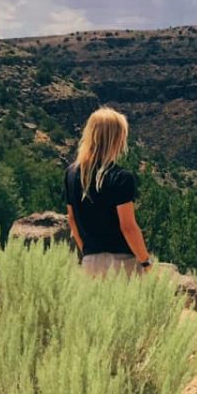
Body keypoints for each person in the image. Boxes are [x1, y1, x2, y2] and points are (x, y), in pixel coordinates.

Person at [64, 107, 152, 277]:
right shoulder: (121, 177)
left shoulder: (71, 174)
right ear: (115, 138)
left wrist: (88, 252)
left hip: (90, 263)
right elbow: (128, 227)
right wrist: (146, 262)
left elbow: (72, 219)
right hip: (123, 263)